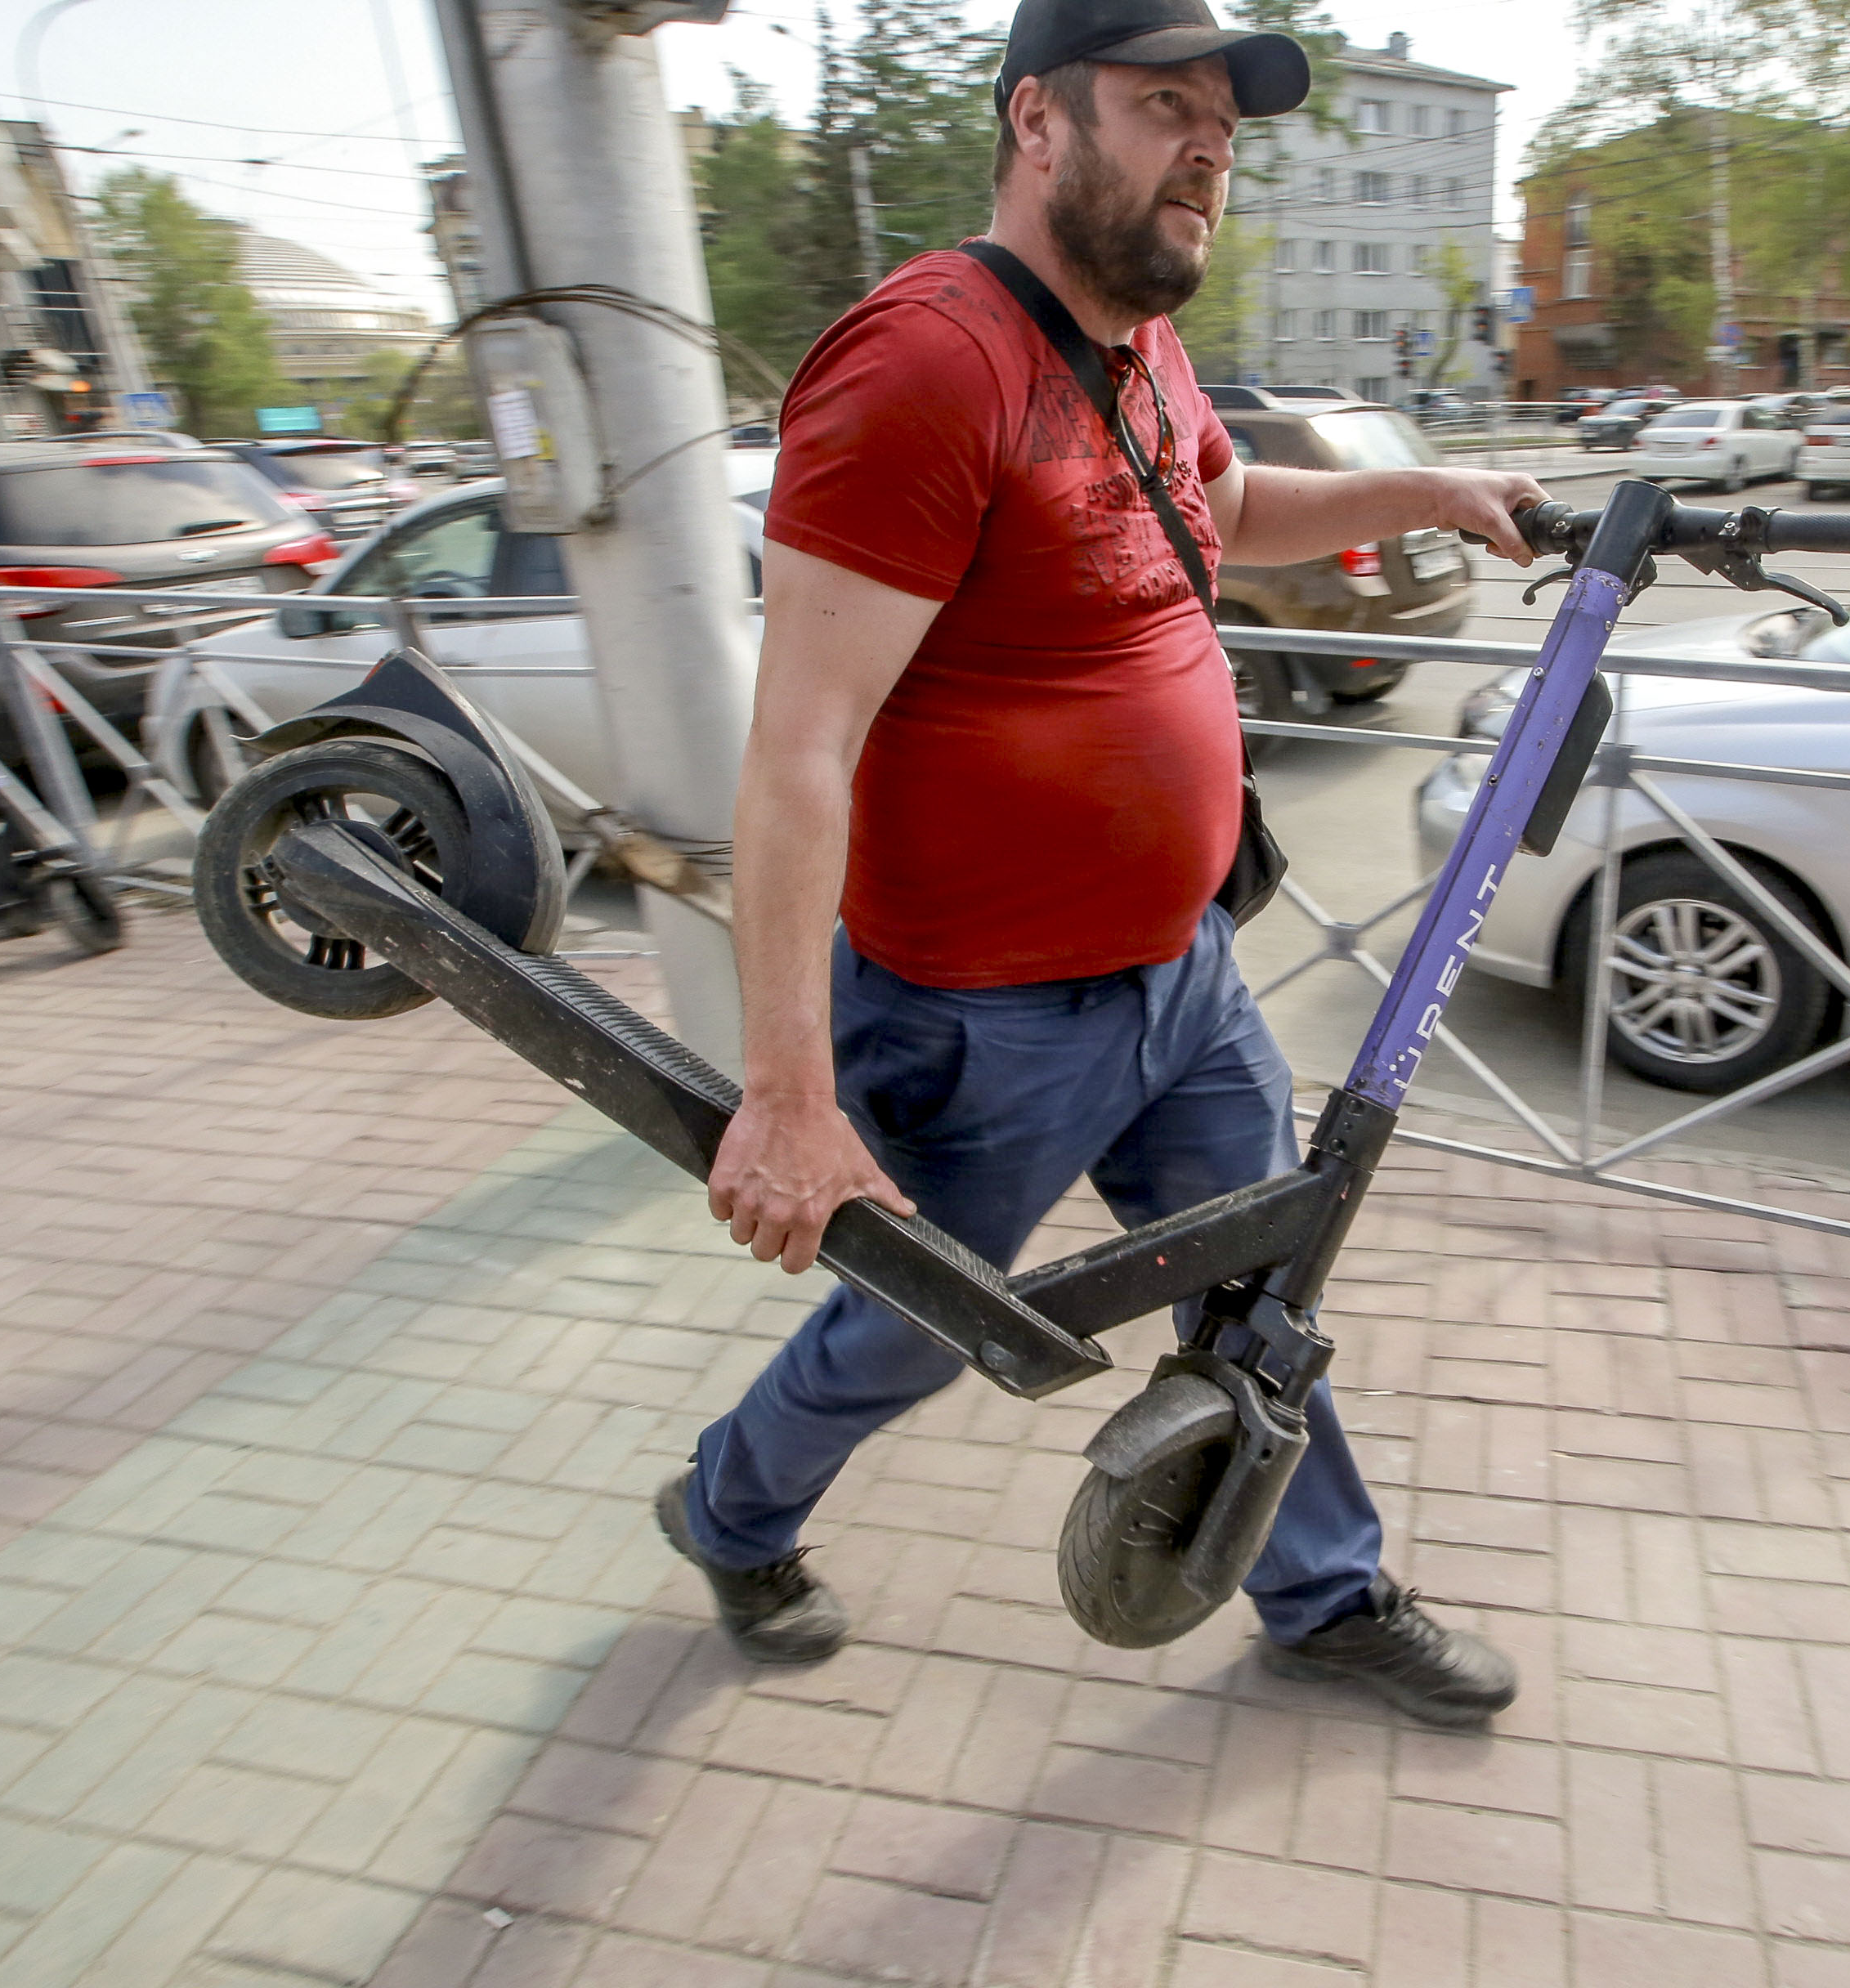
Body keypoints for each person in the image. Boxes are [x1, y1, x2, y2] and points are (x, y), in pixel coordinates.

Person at [658, 0, 1550, 1727]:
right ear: (1038, 124)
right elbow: (797, 751)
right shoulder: (926, 361)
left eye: (1222, 120)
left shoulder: (1139, 349)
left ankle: (1324, 1593)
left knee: (1258, 1295)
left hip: (1179, 979)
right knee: (909, 1329)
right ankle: (729, 1507)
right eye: (1162, 106)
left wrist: (1437, 495)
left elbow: (1228, 509)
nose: (1207, 146)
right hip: (987, 1021)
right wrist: (785, 1089)